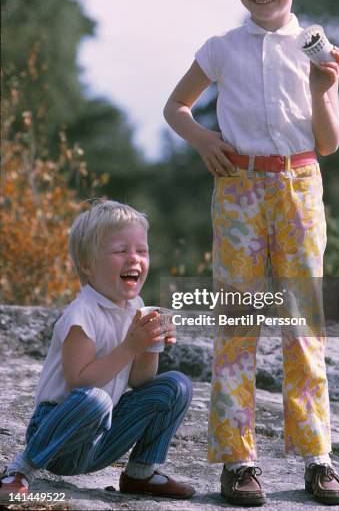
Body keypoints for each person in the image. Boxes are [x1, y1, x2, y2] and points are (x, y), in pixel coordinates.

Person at [164, 0, 339, 507]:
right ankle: (238, 461)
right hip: (238, 190)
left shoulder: (314, 47)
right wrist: (203, 140)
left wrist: (323, 93)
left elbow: (329, 143)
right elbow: (177, 108)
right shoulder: (220, 48)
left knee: (303, 323)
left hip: (299, 187)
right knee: (239, 323)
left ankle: (317, 458)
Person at [0, 200, 195, 503]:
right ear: (88, 265)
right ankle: (20, 470)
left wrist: (149, 346)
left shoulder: (137, 306)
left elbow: (142, 382)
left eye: (141, 251)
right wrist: (130, 345)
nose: (135, 259)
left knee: (176, 385)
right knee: (95, 398)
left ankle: (140, 474)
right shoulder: (82, 314)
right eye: (120, 251)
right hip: (57, 436)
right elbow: (80, 380)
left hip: (101, 439)